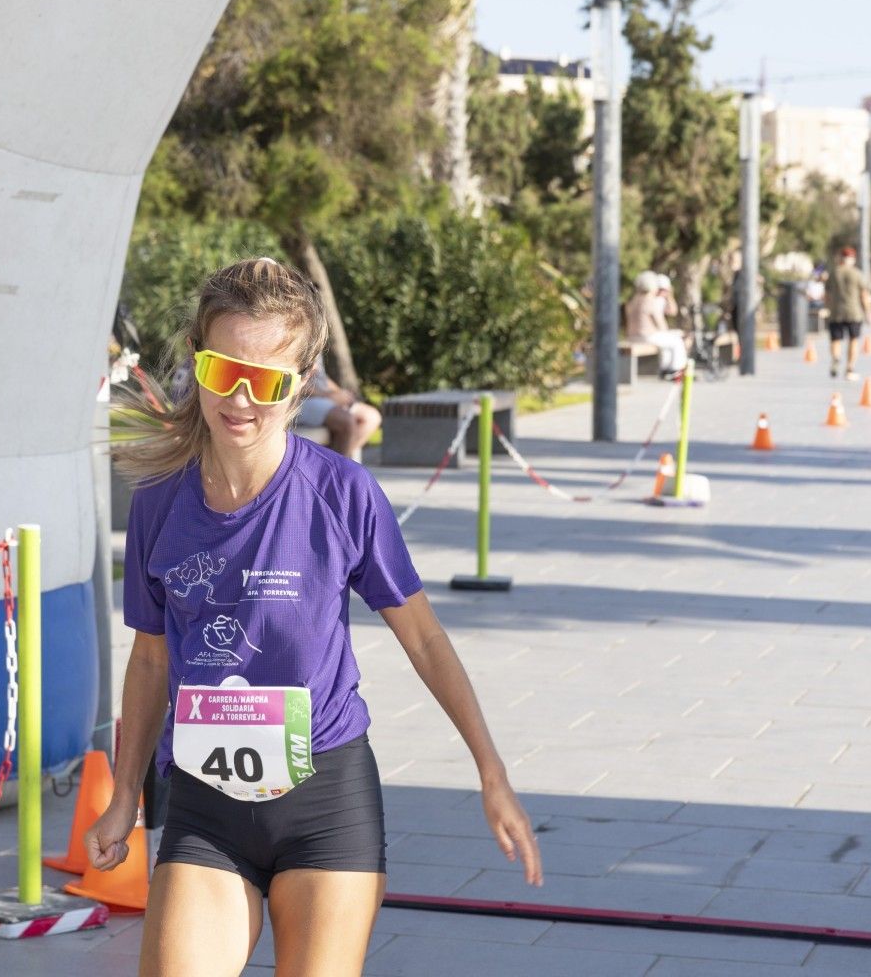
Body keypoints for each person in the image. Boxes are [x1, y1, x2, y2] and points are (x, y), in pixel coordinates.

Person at [94, 258, 542, 976]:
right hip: (204, 804)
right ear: (197, 364)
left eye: (267, 381)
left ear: (301, 384)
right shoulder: (159, 501)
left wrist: (491, 772)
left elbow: (424, 639)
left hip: (325, 805)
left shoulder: (342, 493)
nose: (240, 398)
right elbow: (150, 658)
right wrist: (124, 796)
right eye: (222, 370)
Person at [295, 360, 380, 461]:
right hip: (301, 399)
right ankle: (338, 467)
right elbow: (296, 381)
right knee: (346, 420)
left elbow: (323, 378)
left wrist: (340, 393)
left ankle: (335, 462)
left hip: (322, 397)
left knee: (371, 417)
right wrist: (327, 395)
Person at [624, 270, 687, 378]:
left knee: (666, 343)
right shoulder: (650, 301)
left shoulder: (632, 301)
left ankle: (666, 369)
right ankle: (676, 370)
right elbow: (661, 325)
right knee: (677, 341)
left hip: (632, 336)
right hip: (647, 336)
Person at [824, 247, 871, 381]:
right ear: (853, 259)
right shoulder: (857, 274)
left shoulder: (833, 273)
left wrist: (827, 308)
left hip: (836, 312)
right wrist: (868, 312)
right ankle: (850, 368)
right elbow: (864, 295)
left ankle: (836, 358)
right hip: (854, 312)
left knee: (835, 339)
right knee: (853, 340)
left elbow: (827, 295)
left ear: (841, 258)